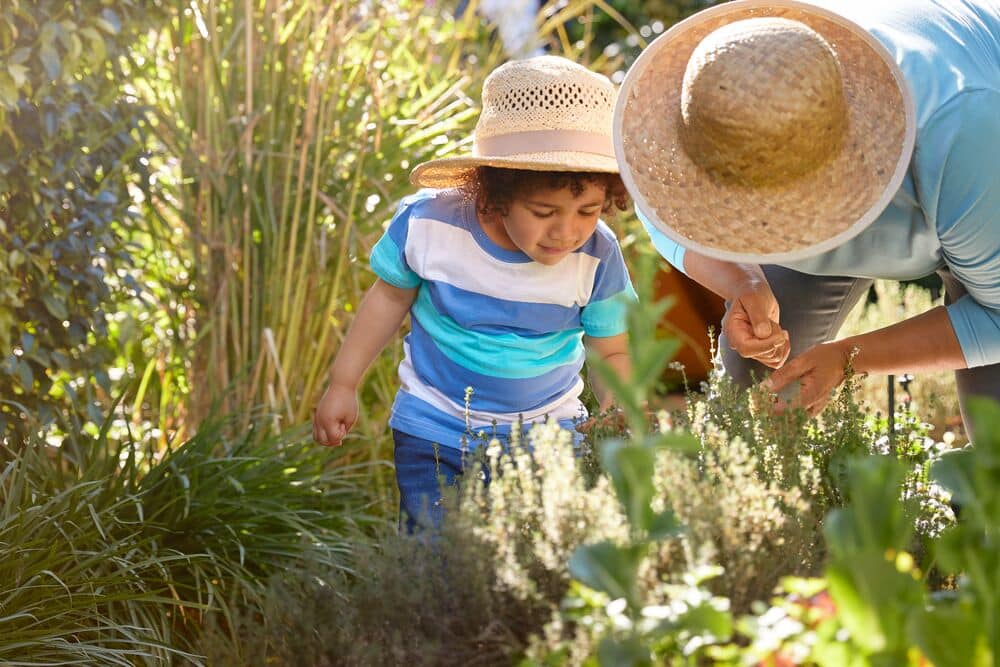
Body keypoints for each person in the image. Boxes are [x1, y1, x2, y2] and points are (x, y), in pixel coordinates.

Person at [614, 0, 1000, 435]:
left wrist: (849, 358)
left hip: (979, 192)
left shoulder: (963, 128)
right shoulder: (718, 93)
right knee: (756, 385)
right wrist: (743, 282)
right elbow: (662, 210)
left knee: (994, 448)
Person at [313, 55, 636, 532]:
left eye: (587, 211)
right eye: (544, 211)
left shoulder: (598, 255)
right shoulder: (430, 224)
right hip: (435, 426)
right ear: (495, 189)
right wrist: (343, 383)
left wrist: (616, 411)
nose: (566, 231)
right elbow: (387, 299)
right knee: (438, 561)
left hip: (550, 433)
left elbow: (610, 349)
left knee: (539, 560)